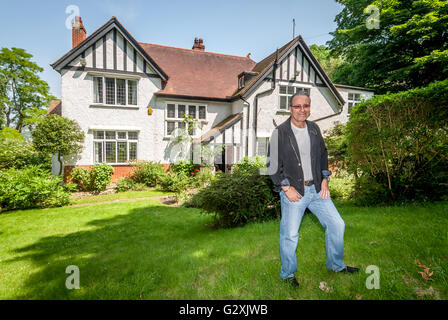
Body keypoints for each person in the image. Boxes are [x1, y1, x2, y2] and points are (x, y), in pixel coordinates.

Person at [266, 90, 359, 288]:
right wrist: (285, 188)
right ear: (290, 108)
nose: (302, 110)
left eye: (305, 106)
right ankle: (288, 275)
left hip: (317, 190)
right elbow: (271, 165)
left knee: (337, 224)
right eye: (297, 106)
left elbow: (323, 155)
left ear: (309, 108)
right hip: (295, 192)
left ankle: (335, 265)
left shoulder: (314, 129)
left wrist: (325, 178)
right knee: (290, 235)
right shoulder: (280, 133)